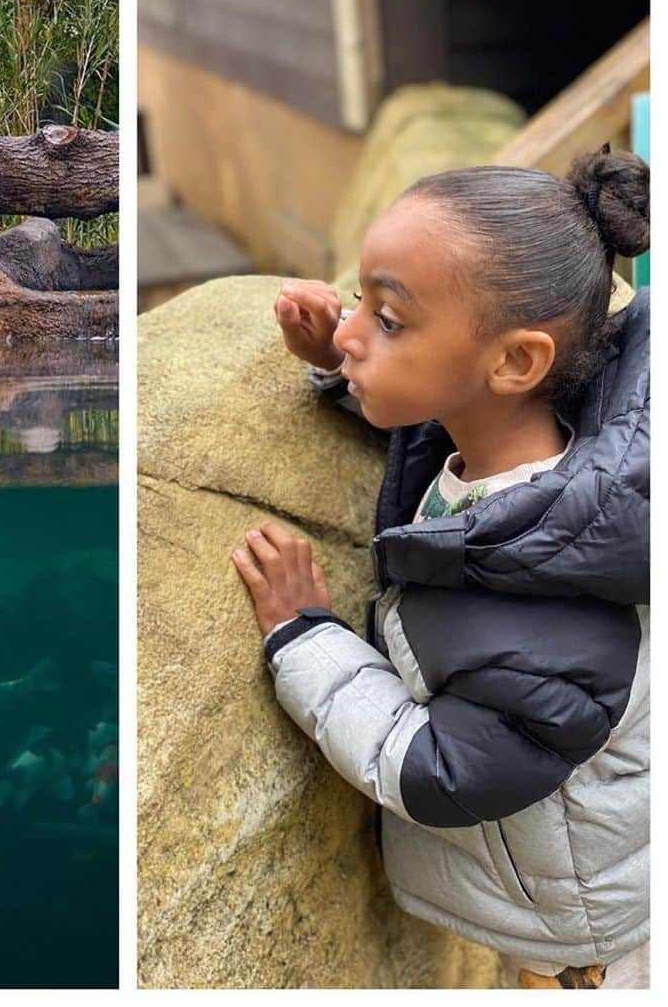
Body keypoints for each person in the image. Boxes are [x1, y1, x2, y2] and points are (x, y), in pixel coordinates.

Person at [232, 147, 649, 989]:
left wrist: (308, 638)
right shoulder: (523, 442)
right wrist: (341, 358)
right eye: (359, 297)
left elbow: (437, 770)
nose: (351, 325)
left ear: (517, 361)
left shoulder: (554, 614)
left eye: (388, 320)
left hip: (576, 936)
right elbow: (440, 415)